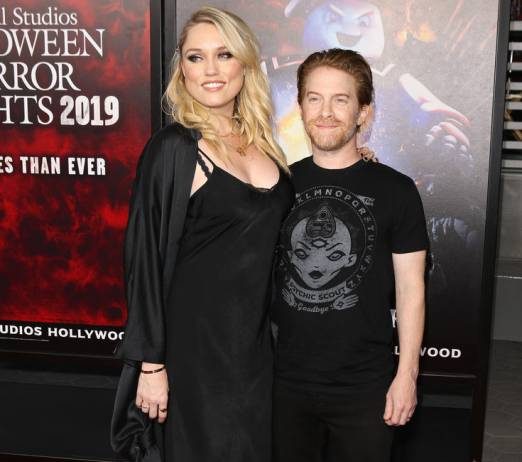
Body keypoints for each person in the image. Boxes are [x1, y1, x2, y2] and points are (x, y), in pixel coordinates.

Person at [117, 6, 292, 462]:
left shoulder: (265, 144)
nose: (211, 70)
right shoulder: (175, 147)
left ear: (245, 64)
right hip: (191, 349)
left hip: (255, 347)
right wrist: (151, 365)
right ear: (183, 70)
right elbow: (144, 260)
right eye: (196, 57)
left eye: (224, 54)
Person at [271, 48, 428, 462]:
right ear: (301, 107)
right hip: (284, 383)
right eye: (314, 98)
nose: (325, 112)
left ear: (363, 112)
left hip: (365, 386)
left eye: (340, 100)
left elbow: (411, 290)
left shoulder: (396, 190)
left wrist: (407, 376)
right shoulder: (278, 185)